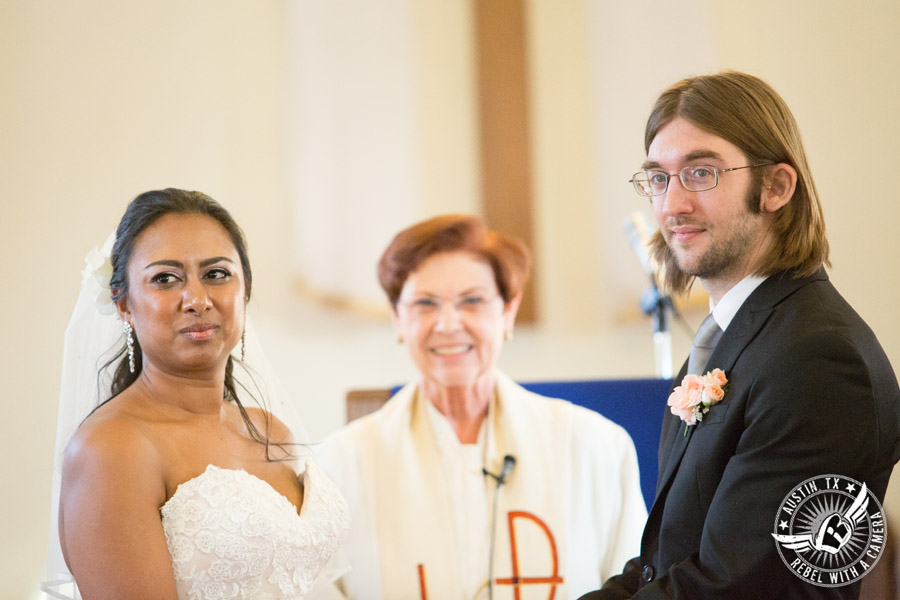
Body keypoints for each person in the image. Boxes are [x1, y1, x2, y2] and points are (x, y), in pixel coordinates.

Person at [583, 71, 900, 599]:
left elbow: (740, 585)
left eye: (700, 172)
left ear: (776, 187)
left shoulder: (818, 359)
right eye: (658, 178)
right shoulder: (736, 337)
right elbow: (663, 563)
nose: (672, 204)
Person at [316, 215, 647, 600]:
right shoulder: (339, 466)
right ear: (397, 318)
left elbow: (635, 588)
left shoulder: (595, 447)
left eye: (472, 301)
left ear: (507, 311)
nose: (448, 324)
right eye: (425, 303)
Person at [47, 189, 348, 599]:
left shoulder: (269, 430)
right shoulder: (111, 448)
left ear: (244, 291)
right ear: (124, 305)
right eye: (165, 279)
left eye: (216, 274)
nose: (197, 300)